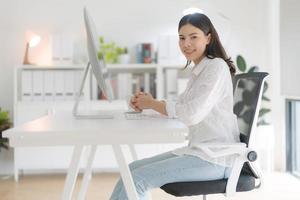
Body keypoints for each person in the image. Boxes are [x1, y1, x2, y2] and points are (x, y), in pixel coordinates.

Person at [110, 12, 240, 200]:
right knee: (131, 170)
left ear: (208, 38)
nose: (186, 43)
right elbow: (179, 106)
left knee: (136, 178)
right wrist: (146, 105)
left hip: (216, 159)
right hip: (200, 152)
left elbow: (191, 114)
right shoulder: (199, 70)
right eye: (181, 38)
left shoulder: (216, 67)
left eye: (193, 37)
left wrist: (154, 104)